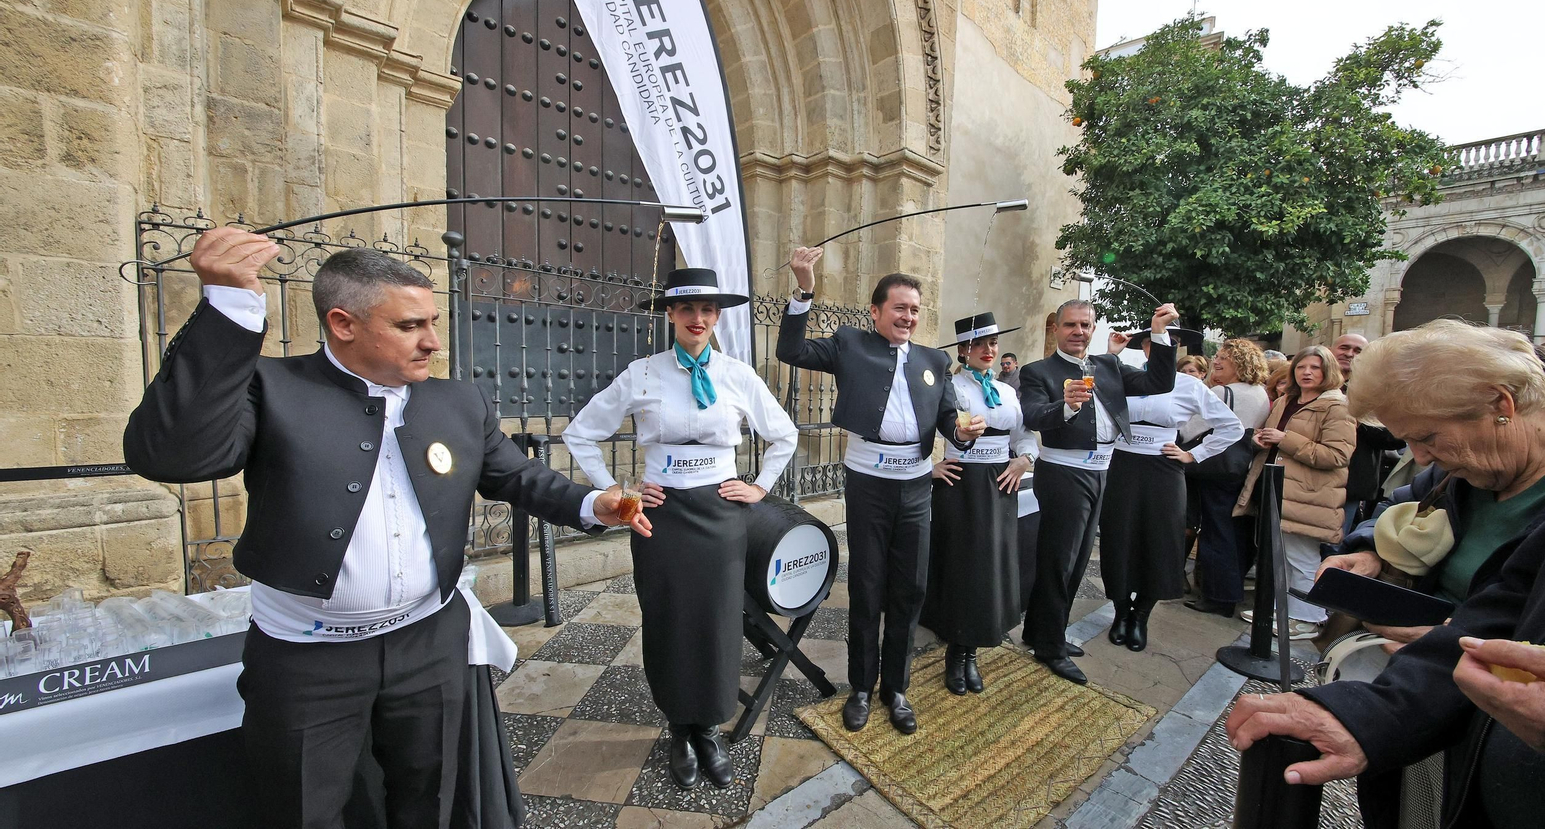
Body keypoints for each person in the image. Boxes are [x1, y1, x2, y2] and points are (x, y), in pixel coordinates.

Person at [122, 236, 650, 829]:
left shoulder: (456, 400)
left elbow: (515, 476)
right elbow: (174, 455)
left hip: (430, 643)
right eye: (409, 325)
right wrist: (230, 307)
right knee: (302, 808)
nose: (432, 340)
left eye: (432, 321)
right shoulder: (272, 390)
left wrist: (591, 503)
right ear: (343, 323)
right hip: (307, 656)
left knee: (434, 799)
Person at [1226, 320, 1545, 829]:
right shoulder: (1469, 464)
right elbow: (1402, 503)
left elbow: (1512, 617)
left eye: (1426, 437)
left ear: (1501, 405)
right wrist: (1370, 549)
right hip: (1425, 709)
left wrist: (1457, 643)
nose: (1420, 456)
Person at [562, 267, 797, 789]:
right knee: (668, 618)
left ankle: (707, 730)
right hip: (660, 518)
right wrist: (617, 494)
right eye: (687, 309)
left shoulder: (737, 374)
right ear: (670, 314)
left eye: (707, 310)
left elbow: (784, 435)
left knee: (715, 620)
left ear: (717, 317)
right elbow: (580, 434)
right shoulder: (643, 373)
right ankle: (677, 728)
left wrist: (759, 485)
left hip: (721, 516)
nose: (697, 319)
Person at [778, 247, 986, 735]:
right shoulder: (851, 344)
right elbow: (791, 351)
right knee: (868, 589)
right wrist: (805, 289)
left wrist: (963, 434)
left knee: (910, 589)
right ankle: (861, 688)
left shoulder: (936, 361)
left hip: (915, 487)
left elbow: (948, 424)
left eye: (914, 309)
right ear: (876, 312)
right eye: (899, 308)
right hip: (868, 484)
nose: (908, 317)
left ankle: (896, 688)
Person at [1017, 299, 1180, 681]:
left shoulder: (1107, 365)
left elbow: (1159, 383)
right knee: (1059, 560)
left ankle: (1040, 632)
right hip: (1063, 473)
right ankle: (1051, 645)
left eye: (1085, 325)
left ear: (1094, 329)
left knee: (1075, 562)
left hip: (1104, 471)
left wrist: (1158, 334)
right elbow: (1034, 415)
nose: (1079, 332)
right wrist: (1067, 406)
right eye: (1071, 325)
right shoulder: (1039, 370)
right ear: (1056, 328)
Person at [1099, 332, 1243, 650]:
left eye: (1169, 341)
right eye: (1153, 341)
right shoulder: (1127, 376)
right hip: (1121, 465)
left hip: (1164, 471)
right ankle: (1121, 613)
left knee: (1160, 541)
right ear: (1145, 348)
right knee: (1117, 538)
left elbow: (1232, 426)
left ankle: (1141, 616)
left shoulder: (1188, 384)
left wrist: (1194, 455)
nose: (1161, 347)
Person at [922, 313, 1037, 695]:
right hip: (961, 484)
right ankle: (957, 651)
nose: (989, 350)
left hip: (1000, 484)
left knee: (991, 566)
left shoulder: (1006, 391)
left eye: (994, 343)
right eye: (980, 343)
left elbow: (1023, 434)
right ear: (963, 350)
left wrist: (1024, 459)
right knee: (962, 567)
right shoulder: (948, 386)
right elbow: (927, 428)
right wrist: (929, 467)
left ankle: (973, 650)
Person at [1233, 345, 1356, 640]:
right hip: (1276, 487)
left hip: (1309, 496)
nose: (1307, 373)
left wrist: (1285, 439)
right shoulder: (1287, 400)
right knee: (1280, 555)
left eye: (1315, 367)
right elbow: (1272, 439)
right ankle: (1282, 610)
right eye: (1301, 367)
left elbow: (1337, 455)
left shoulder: (1337, 406)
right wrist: (1261, 441)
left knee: (1301, 557)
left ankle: (1308, 617)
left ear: (1328, 371)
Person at [1186, 339, 1273, 616]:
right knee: (1232, 532)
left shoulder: (1223, 392)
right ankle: (1226, 593)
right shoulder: (1260, 392)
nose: (1217, 361)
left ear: (1241, 363)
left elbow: (1190, 430)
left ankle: (1217, 597)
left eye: (1225, 357)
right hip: (1239, 468)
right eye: (1218, 356)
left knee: (1216, 532)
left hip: (1215, 467)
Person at [1335, 333, 1406, 534]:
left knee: (1332, 545)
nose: (1349, 354)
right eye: (1344, 348)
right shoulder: (1313, 386)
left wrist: (1355, 420)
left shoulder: (1376, 390)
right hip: (1307, 481)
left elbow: (1396, 437)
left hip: (1351, 483)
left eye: (1357, 351)